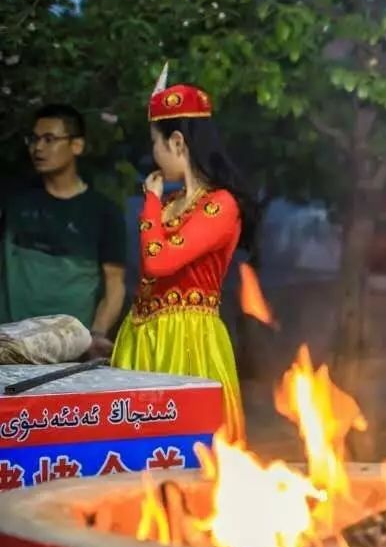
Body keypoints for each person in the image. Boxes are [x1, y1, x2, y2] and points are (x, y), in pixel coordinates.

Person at [111, 67, 255, 442]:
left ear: (176, 142)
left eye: (154, 144)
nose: (153, 154)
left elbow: (157, 261)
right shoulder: (172, 202)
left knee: (185, 447)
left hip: (188, 340)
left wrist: (150, 202)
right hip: (142, 336)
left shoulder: (220, 205)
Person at [0, 104, 126, 358]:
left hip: (71, 348)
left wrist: (97, 334)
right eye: (34, 139)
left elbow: (115, 284)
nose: (38, 147)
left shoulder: (104, 212)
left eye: (50, 139)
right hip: (8, 347)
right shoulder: (11, 201)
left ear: (76, 145)